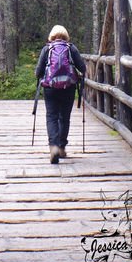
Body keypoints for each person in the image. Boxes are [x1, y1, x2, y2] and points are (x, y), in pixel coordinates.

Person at [34, 25, 86, 164]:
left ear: (52, 36)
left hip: (50, 88)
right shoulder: (71, 48)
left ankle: (54, 148)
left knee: (51, 117)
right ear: (65, 36)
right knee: (64, 117)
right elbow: (83, 68)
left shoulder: (47, 49)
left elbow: (38, 72)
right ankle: (62, 147)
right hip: (68, 87)